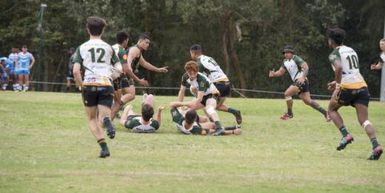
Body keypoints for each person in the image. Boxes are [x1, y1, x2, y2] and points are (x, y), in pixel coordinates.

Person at [326, 27, 382, 160]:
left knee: (331, 109)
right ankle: (376, 146)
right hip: (362, 86)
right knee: (364, 120)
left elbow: (339, 68)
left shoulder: (334, 54)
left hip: (347, 88)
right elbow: (349, 71)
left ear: (331, 40)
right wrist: (336, 81)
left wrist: (338, 86)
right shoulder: (351, 50)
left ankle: (345, 135)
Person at [73, 16, 122, 158]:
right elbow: (119, 69)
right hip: (105, 84)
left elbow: (76, 71)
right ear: (103, 30)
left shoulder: (81, 47)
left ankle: (104, 148)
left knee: (91, 119)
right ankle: (108, 121)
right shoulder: (109, 48)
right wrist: (109, 76)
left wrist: (81, 85)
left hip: (89, 84)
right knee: (104, 115)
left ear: (88, 29)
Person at [268, 45, 327, 120]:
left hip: (301, 80)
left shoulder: (296, 58)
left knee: (287, 94)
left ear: (292, 53)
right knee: (308, 101)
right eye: (284, 53)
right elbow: (281, 72)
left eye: (287, 52)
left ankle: (289, 114)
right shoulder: (285, 61)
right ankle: (325, 112)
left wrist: (302, 77)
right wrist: (274, 74)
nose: (285, 54)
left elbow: (306, 67)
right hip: (300, 81)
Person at [189, 44, 242, 124]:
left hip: (218, 85)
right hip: (226, 84)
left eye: (191, 53)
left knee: (205, 104)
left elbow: (199, 80)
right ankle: (235, 112)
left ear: (194, 53)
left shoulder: (199, 63)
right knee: (217, 106)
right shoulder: (208, 58)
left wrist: (194, 89)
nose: (191, 55)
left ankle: (213, 124)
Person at [170, 60, 225, 136]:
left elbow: (199, 99)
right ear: (187, 71)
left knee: (209, 108)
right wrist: (179, 107)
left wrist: (184, 104)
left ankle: (219, 128)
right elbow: (182, 91)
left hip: (212, 94)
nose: (192, 75)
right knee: (187, 112)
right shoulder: (185, 76)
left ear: (197, 71)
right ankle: (206, 126)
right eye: (190, 73)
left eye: (194, 73)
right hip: (203, 96)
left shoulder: (201, 79)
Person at [110, 31, 135, 120]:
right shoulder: (122, 51)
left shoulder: (111, 47)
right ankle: (114, 108)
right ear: (125, 40)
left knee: (122, 96)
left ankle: (114, 107)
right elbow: (126, 69)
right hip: (116, 76)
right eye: (127, 40)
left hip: (107, 75)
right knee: (130, 95)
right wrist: (138, 79)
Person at [170, 107, 241, 135]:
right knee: (214, 126)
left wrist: (184, 109)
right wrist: (233, 132)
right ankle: (234, 127)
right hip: (194, 126)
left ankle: (235, 127)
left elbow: (172, 107)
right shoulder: (196, 128)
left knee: (205, 119)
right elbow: (213, 132)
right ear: (195, 120)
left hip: (185, 125)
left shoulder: (179, 119)